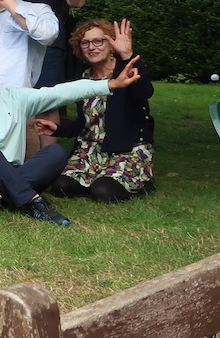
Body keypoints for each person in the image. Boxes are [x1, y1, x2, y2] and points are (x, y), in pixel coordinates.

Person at [0, 46, 145, 226]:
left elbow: (59, 93)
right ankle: (33, 202)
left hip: (16, 171)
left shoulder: (14, 97)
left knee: (56, 152)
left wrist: (110, 85)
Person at [44, 20, 154, 203]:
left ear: (111, 44)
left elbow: (145, 92)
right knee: (62, 187)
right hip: (90, 151)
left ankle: (142, 181)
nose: (91, 47)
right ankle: (100, 177)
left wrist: (127, 55)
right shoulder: (84, 78)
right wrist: (58, 129)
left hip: (127, 149)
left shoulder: (125, 69)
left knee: (103, 191)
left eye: (98, 41)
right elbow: (86, 122)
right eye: (85, 43)